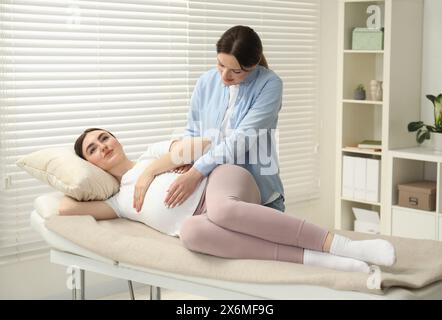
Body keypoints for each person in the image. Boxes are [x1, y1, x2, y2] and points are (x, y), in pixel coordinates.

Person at [60, 128, 397, 274]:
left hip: (222, 183)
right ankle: (319, 261)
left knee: (221, 209)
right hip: (203, 221)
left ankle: (348, 247)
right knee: (191, 234)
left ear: (115, 138)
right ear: (90, 163)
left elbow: (203, 144)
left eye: (104, 137)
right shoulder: (118, 202)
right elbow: (64, 207)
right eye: (93, 149)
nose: (102, 145)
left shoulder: (151, 153)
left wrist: (152, 172)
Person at [164, 25, 286, 212]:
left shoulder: (270, 84)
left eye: (235, 71)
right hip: (214, 191)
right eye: (221, 64)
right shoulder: (206, 81)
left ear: (253, 66)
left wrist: (197, 171)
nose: (224, 76)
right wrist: (187, 158)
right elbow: (192, 128)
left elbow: (241, 139)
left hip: (261, 195)